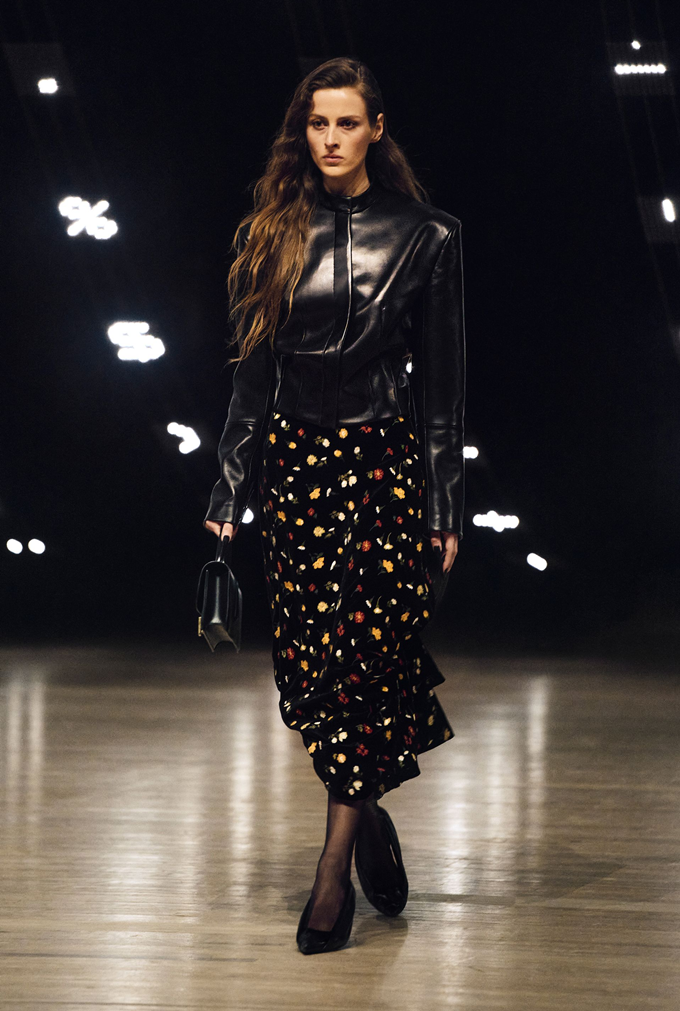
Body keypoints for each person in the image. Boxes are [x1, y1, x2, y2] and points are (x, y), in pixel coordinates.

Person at [204, 56, 465, 955]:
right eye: (317, 123)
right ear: (302, 130)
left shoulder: (429, 235)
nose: (330, 138)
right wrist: (229, 484)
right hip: (296, 473)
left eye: (347, 123)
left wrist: (444, 503)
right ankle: (369, 814)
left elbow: (442, 386)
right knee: (308, 677)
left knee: (364, 661)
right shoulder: (271, 231)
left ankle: (332, 871)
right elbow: (252, 378)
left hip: (384, 467)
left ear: (376, 129)